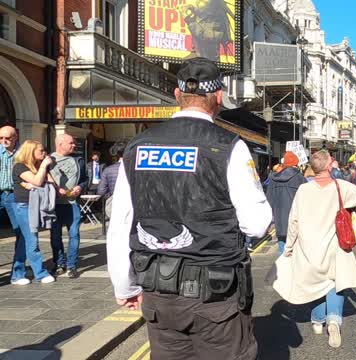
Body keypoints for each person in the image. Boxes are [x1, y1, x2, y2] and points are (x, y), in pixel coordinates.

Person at [107, 57, 272, 359]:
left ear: (176, 94)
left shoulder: (137, 146)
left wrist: (125, 286)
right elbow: (257, 223)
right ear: (219, 97)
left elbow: (120, 223)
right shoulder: (229, 146)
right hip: (216, 296)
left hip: (159, 293)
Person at [272, 150, 356, 348]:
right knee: (335, 282)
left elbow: (294, 221)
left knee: (317, 285)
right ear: (329, 166)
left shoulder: (303, 190)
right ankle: (334, 320)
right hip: (334, 246)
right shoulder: (340, 187)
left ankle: (318, 321)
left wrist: (289, 247)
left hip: (309, 248)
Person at [10, 140, 56, 285]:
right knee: (32, 238)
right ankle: (41, 273)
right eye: (41, 151)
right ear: (31, 152)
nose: (44, 153)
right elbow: (37, 182)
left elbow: (52, 183)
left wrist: (43, 171)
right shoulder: (20, 167)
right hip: (23, 206)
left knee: (24, 240)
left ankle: (17, 274)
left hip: (36, 205)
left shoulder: (38, 167)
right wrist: (42, 169)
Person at [49, 133, 87, 279]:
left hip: (72, 203)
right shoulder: (48, 160)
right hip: (54, 205)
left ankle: (72, 265)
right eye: (70, 143)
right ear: (60, 144)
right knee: (55, 236)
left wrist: (80, 187)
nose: (74, 145)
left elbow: (85, 179)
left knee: (74, 234)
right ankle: (59, 263)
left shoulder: (79, 160)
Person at [266, 151, 306, 255]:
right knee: (296, 254)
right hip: (297, 222)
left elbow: (269, 201)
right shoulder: (300, 179)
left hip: (280, 223)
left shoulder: (274, 179)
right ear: (296, 164)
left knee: (282, 252)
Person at [0, 126, 20, 252]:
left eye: (7, 138)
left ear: (15, 137)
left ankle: (18, 269)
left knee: (19, 229)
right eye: (0, 138)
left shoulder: (23, 153)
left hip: (14, 195)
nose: (3, 141)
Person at [96, 146, 124, 219]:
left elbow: (101, 191)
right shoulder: (136, 169)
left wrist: (111, 196)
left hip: (114, 205)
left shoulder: (108, 170)